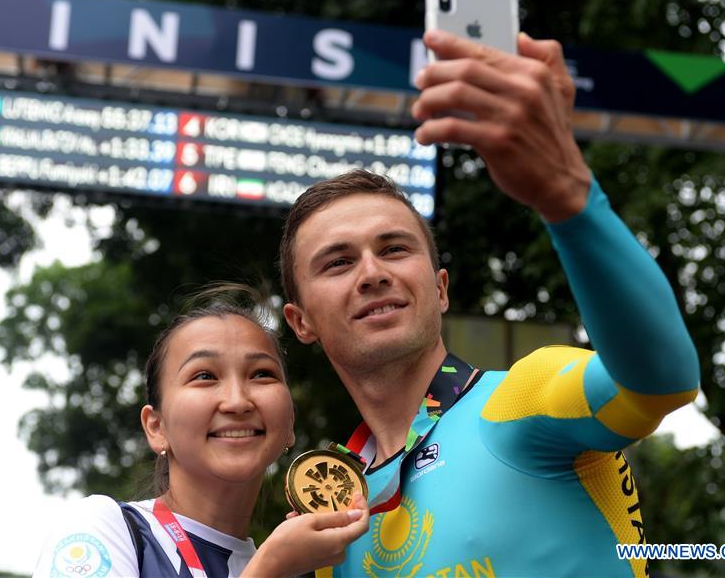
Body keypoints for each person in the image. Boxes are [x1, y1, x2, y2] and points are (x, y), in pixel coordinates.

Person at [278, 30, 700, 577]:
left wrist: (568, 198)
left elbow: (661, 380)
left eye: (395, 248)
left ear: (440, 287)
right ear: (301, 321)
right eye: (337, 262)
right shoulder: (331, 519)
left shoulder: (524, 402)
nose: (372, 273)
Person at [32, 286, 369, 578]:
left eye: (262, 374)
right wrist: (269, 569)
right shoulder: (101, 529)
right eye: (205, 376)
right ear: (156, 427)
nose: (237, 401)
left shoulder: (301, 567)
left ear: (290, 424)